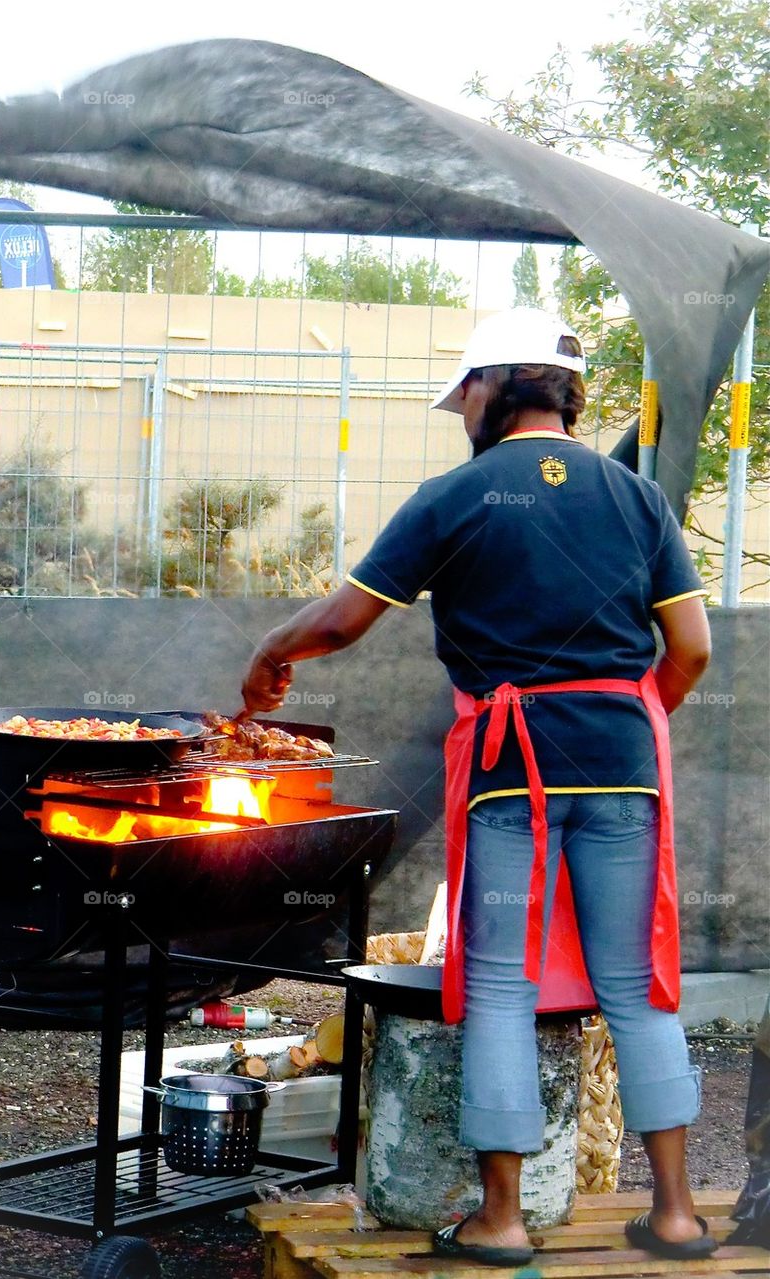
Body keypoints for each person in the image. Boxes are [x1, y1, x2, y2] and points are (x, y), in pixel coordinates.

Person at [240, 308, 717, 1268]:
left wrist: (270, 651)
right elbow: (693, 650)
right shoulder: (636, 498)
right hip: (624, 769)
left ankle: (500, 1219)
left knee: (499, 985)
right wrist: (627, 726)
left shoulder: (458, 495)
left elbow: (344, 620)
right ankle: (673, 1214)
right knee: (637, 987)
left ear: (495, 386)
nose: (460, 409)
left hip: (510, 776)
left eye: (464, 390)